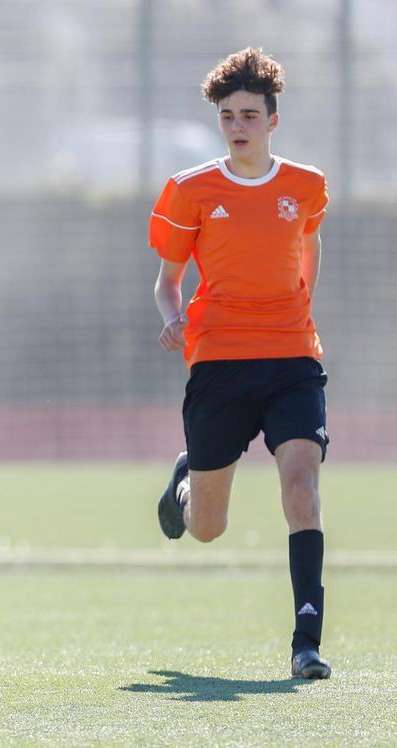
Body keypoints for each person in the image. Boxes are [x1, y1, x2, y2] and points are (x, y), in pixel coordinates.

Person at [149, 48, 331, 679]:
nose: (237, 125)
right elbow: (167, 281)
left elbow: (308, 254)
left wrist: (300, 312)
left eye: (249, 114)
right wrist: (172, 319)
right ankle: (185, 482)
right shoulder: (191, 189)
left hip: (291, 358)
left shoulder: (305, 185)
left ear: (273, 120)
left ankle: (305, 642)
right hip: (220, 360)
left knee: (302, 490)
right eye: (227, 115)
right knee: (206, 528)